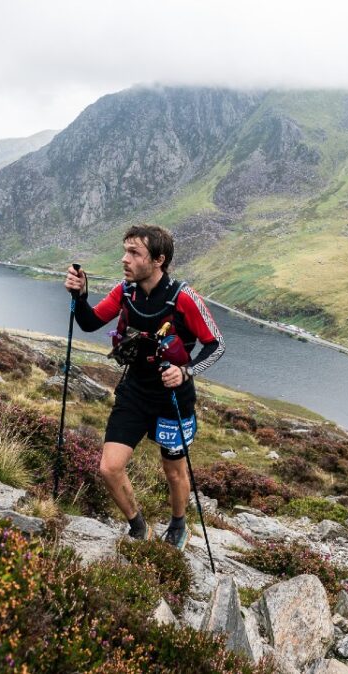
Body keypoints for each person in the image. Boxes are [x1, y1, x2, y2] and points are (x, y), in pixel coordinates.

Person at [63, 224, 225, 549]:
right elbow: (90, 321)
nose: (125, 259)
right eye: (125, 251)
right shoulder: (125, 291)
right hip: (134, 392)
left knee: (174, 471)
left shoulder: (183, 297)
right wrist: (80, 297)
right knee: (109, 468)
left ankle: (179, 525)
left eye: (134, 253)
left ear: (158, 260)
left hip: (173, 398)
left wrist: (185, 371)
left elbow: (216, 344)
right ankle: (139, 526)